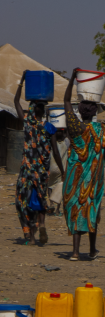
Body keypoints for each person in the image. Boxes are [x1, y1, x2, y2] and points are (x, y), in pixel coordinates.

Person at [58, 69, 105, 261]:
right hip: (92, 181)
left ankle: (75, 252)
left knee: (76, 208)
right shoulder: (102, 130)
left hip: (74, 180)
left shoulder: (75, 127)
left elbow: (66, 102)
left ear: (80, 110)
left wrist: (72, 80)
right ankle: (92, 251)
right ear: (95, 111)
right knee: (92, 209)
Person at [10, 73, 55, 245]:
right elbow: (56, 153)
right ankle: (41, 225)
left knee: (23, 201)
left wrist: (21, 82)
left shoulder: (28, 125)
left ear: (32, 108)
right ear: (43, 111)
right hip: (42, 172)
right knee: (40, 199)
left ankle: (30, 234)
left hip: (27, 171)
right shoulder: (49, 127)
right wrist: (63, 169)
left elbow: (16, 103)